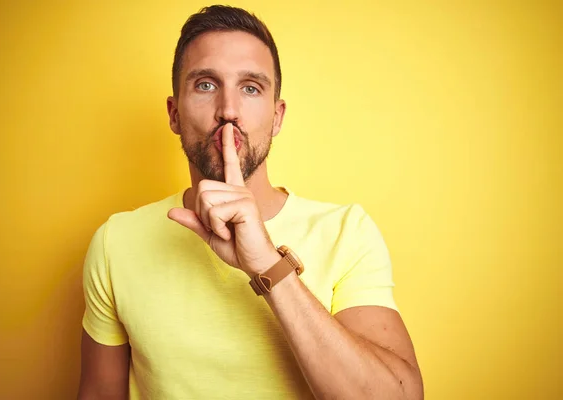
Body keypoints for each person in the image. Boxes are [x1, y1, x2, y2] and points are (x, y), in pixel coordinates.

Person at [77, 5, 423, 400]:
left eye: (251, 88)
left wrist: (267, 265)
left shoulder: (347, 232)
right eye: (206, 85)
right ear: (174, 114)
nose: (228, 111)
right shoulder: (116, 242)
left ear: (277, 117)